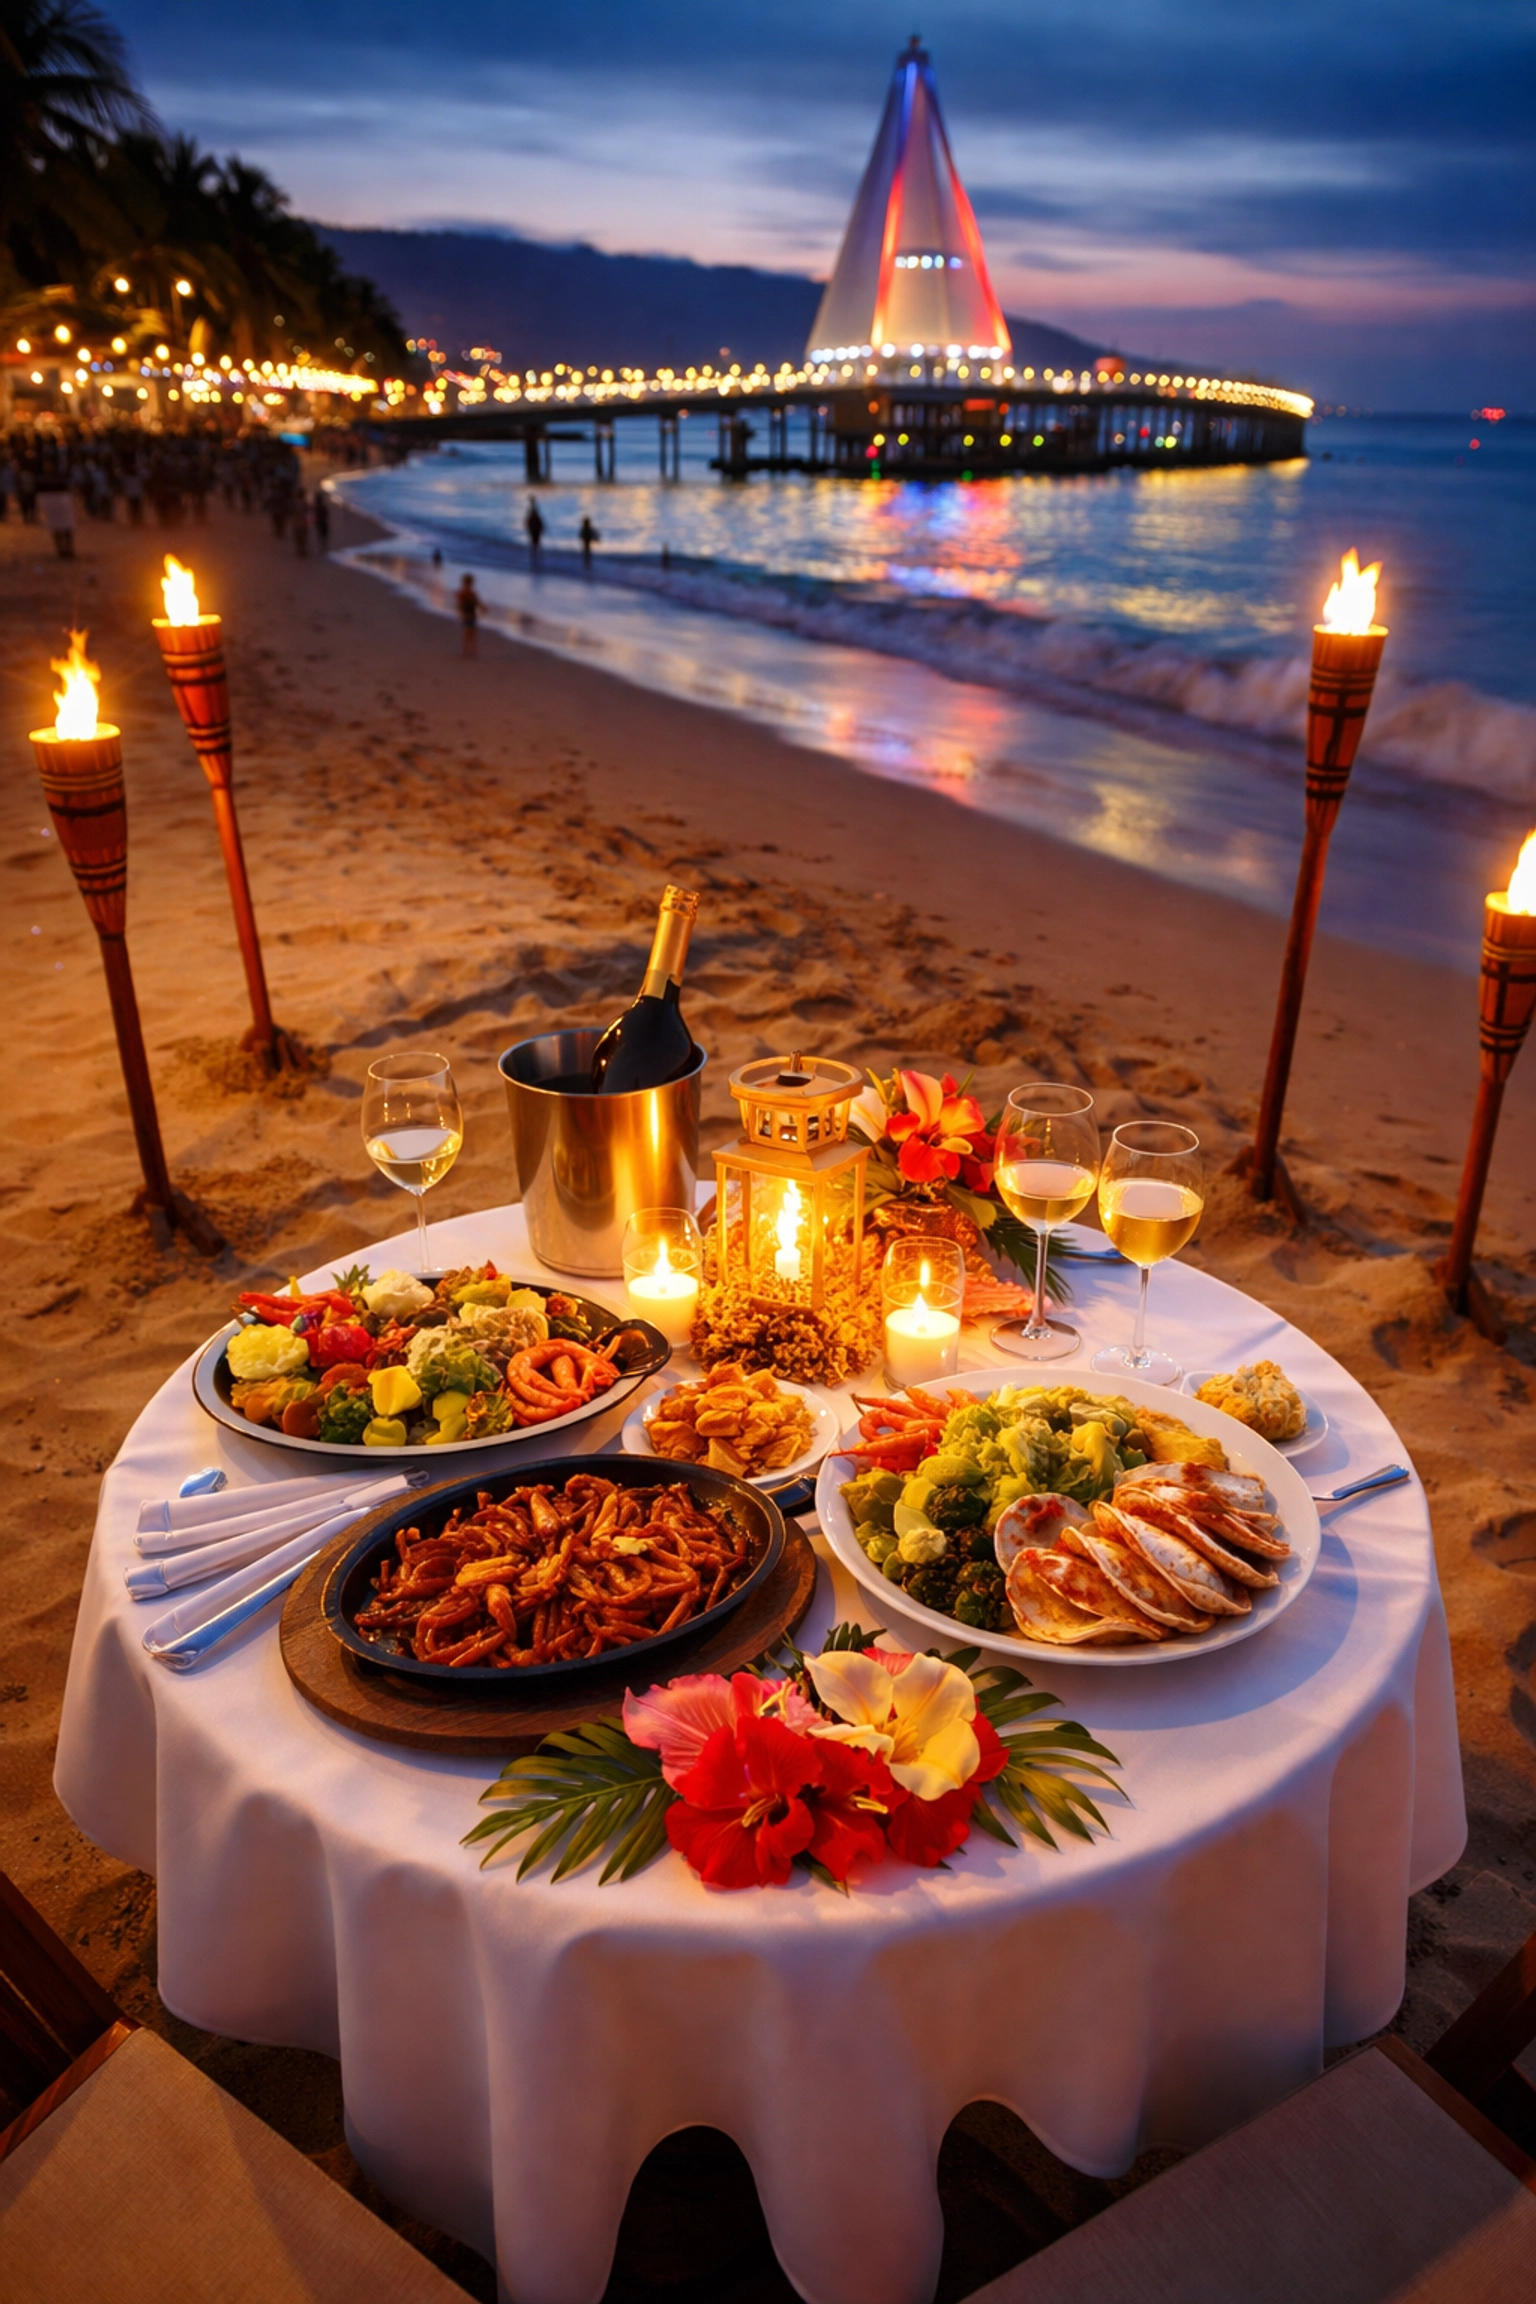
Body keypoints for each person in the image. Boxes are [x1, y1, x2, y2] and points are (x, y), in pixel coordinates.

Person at [37, 487, 75, 559]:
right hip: (60, 495)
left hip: (49, 496)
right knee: (64, 525)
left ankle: (63, 548)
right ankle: (65, 548)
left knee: (58, 525)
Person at [457, 572, 481, 657]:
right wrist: (461, 613)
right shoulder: (463, 593)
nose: (469, 585)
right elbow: (460, 604)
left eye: (470, 584)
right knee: (467, 632)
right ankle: (465, 650)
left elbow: (477, 602)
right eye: (467, 583)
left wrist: (482, 608)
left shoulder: (471, 594)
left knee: (472, 633)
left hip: (472, 615)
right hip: (467, 614)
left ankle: (473, 651)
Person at [525, 496, 545, 562]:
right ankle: (535, 554)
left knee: (534, 542)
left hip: (534, 529)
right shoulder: (533, 510)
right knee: (535, 542)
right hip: (534, 529)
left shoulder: (532, 510)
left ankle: (534, 554)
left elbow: (529, 521)